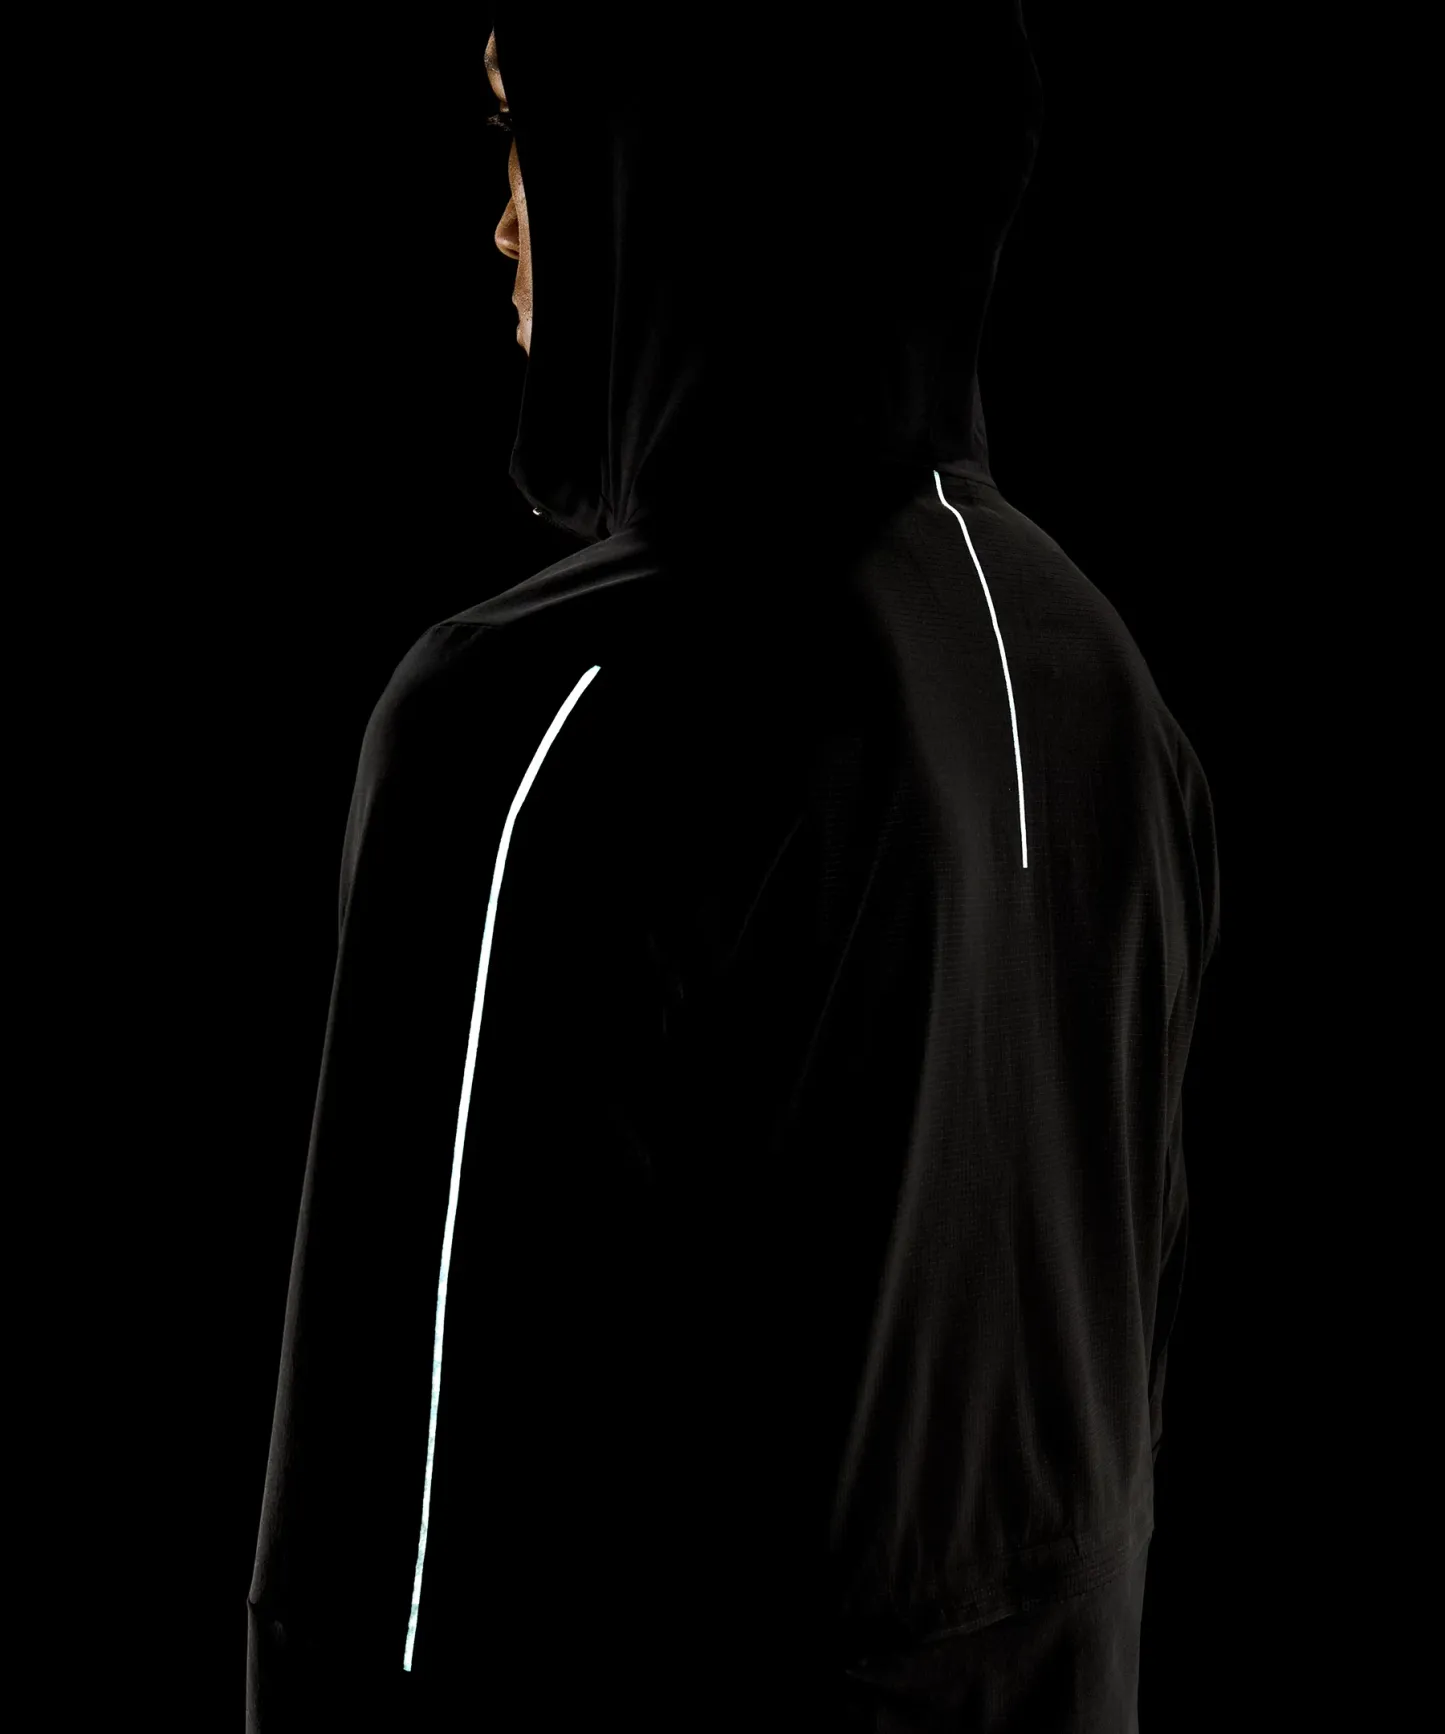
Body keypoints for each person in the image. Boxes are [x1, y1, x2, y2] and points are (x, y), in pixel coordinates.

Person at [247, 8, 1221, 1731]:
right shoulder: (1102, 681)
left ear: (673, 150)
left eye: (526, 129)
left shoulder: (544, 723)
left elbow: (385, 1586)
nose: (503, 220)